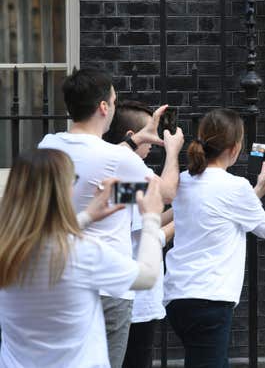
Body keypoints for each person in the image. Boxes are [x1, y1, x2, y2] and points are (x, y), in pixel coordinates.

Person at [38, 68, 184, 368]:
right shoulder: (118, 160)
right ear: (104, 107)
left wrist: (134, 142)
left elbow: (97, 173)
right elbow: (165, 193)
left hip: (59, 278)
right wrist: (172, 150)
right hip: (108, 287)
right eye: (114, 101)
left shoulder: (49, 145)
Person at [0, 148, 165, 368]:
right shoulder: (82, 252)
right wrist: (152, 218)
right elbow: (147, 276)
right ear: (61, 189)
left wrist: (87, 216)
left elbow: (40, 237)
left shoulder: (7, 250)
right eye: (73, 180)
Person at [163, 108, 265, 368]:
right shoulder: (234, 186)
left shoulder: (184, 180)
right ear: (235, 148)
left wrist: (257, 191)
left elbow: (218, 212)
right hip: (210, 301)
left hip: (178, 298)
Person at [103, 100, 176, 368]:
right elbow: (150, 232)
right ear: (132, 137)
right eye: (151, 133)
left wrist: (179, 214)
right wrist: (172, 152)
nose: (154, 141)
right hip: (134, 298)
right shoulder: (134, 174)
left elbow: (148, 218)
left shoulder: (106, 171)